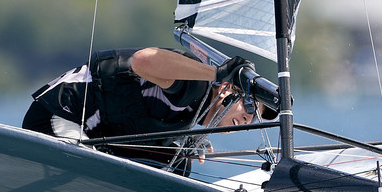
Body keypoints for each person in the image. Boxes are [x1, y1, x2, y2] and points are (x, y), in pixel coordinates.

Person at [22, 47, 261, 144]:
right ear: (227, 90)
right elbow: (143, 60)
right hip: (57, 116)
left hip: (85, 133)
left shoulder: (189, 114)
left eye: (255, 119)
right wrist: (217, 73)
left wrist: (185, 140)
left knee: (176, 167)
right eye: (250, 107)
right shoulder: (196, 85)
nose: (248, 119)